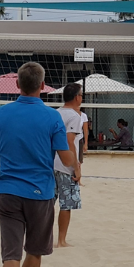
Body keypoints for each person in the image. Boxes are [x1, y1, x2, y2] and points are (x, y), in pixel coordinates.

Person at [0, 61, 75, 267]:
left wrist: (8, 173)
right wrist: (76, 152)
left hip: (9, 191)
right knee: (34, 253)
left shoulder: (1, 115)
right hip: (40, 193)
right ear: (42, 86)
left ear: (17, 85)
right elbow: (66, 159)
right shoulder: (52, 118)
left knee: (10, 255)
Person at [54, 83, 84, 248]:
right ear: (76, 97)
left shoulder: (56, 113)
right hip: (65, 165)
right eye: (81, 95)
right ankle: (61, 241)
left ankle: (42, 238)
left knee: (46, 204)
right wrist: (76, 167)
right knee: (66, 205)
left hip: (51, 163)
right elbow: (70, 142)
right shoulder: (74, 116)